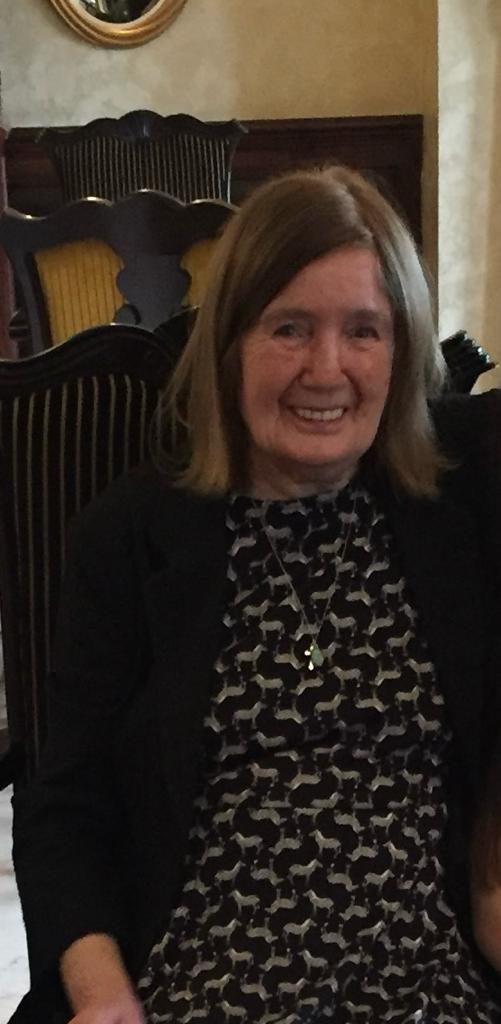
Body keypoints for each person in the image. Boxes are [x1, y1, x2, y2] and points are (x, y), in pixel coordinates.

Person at [9, 165, 501, 1024]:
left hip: (426, 990)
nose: (326, 368)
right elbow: (63, 809)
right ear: (230, 343)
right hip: (201, 987)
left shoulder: (460, 498)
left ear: (402, 352)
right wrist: (101, 997)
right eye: (288, 328)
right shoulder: (130, 537)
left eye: (363, 331)